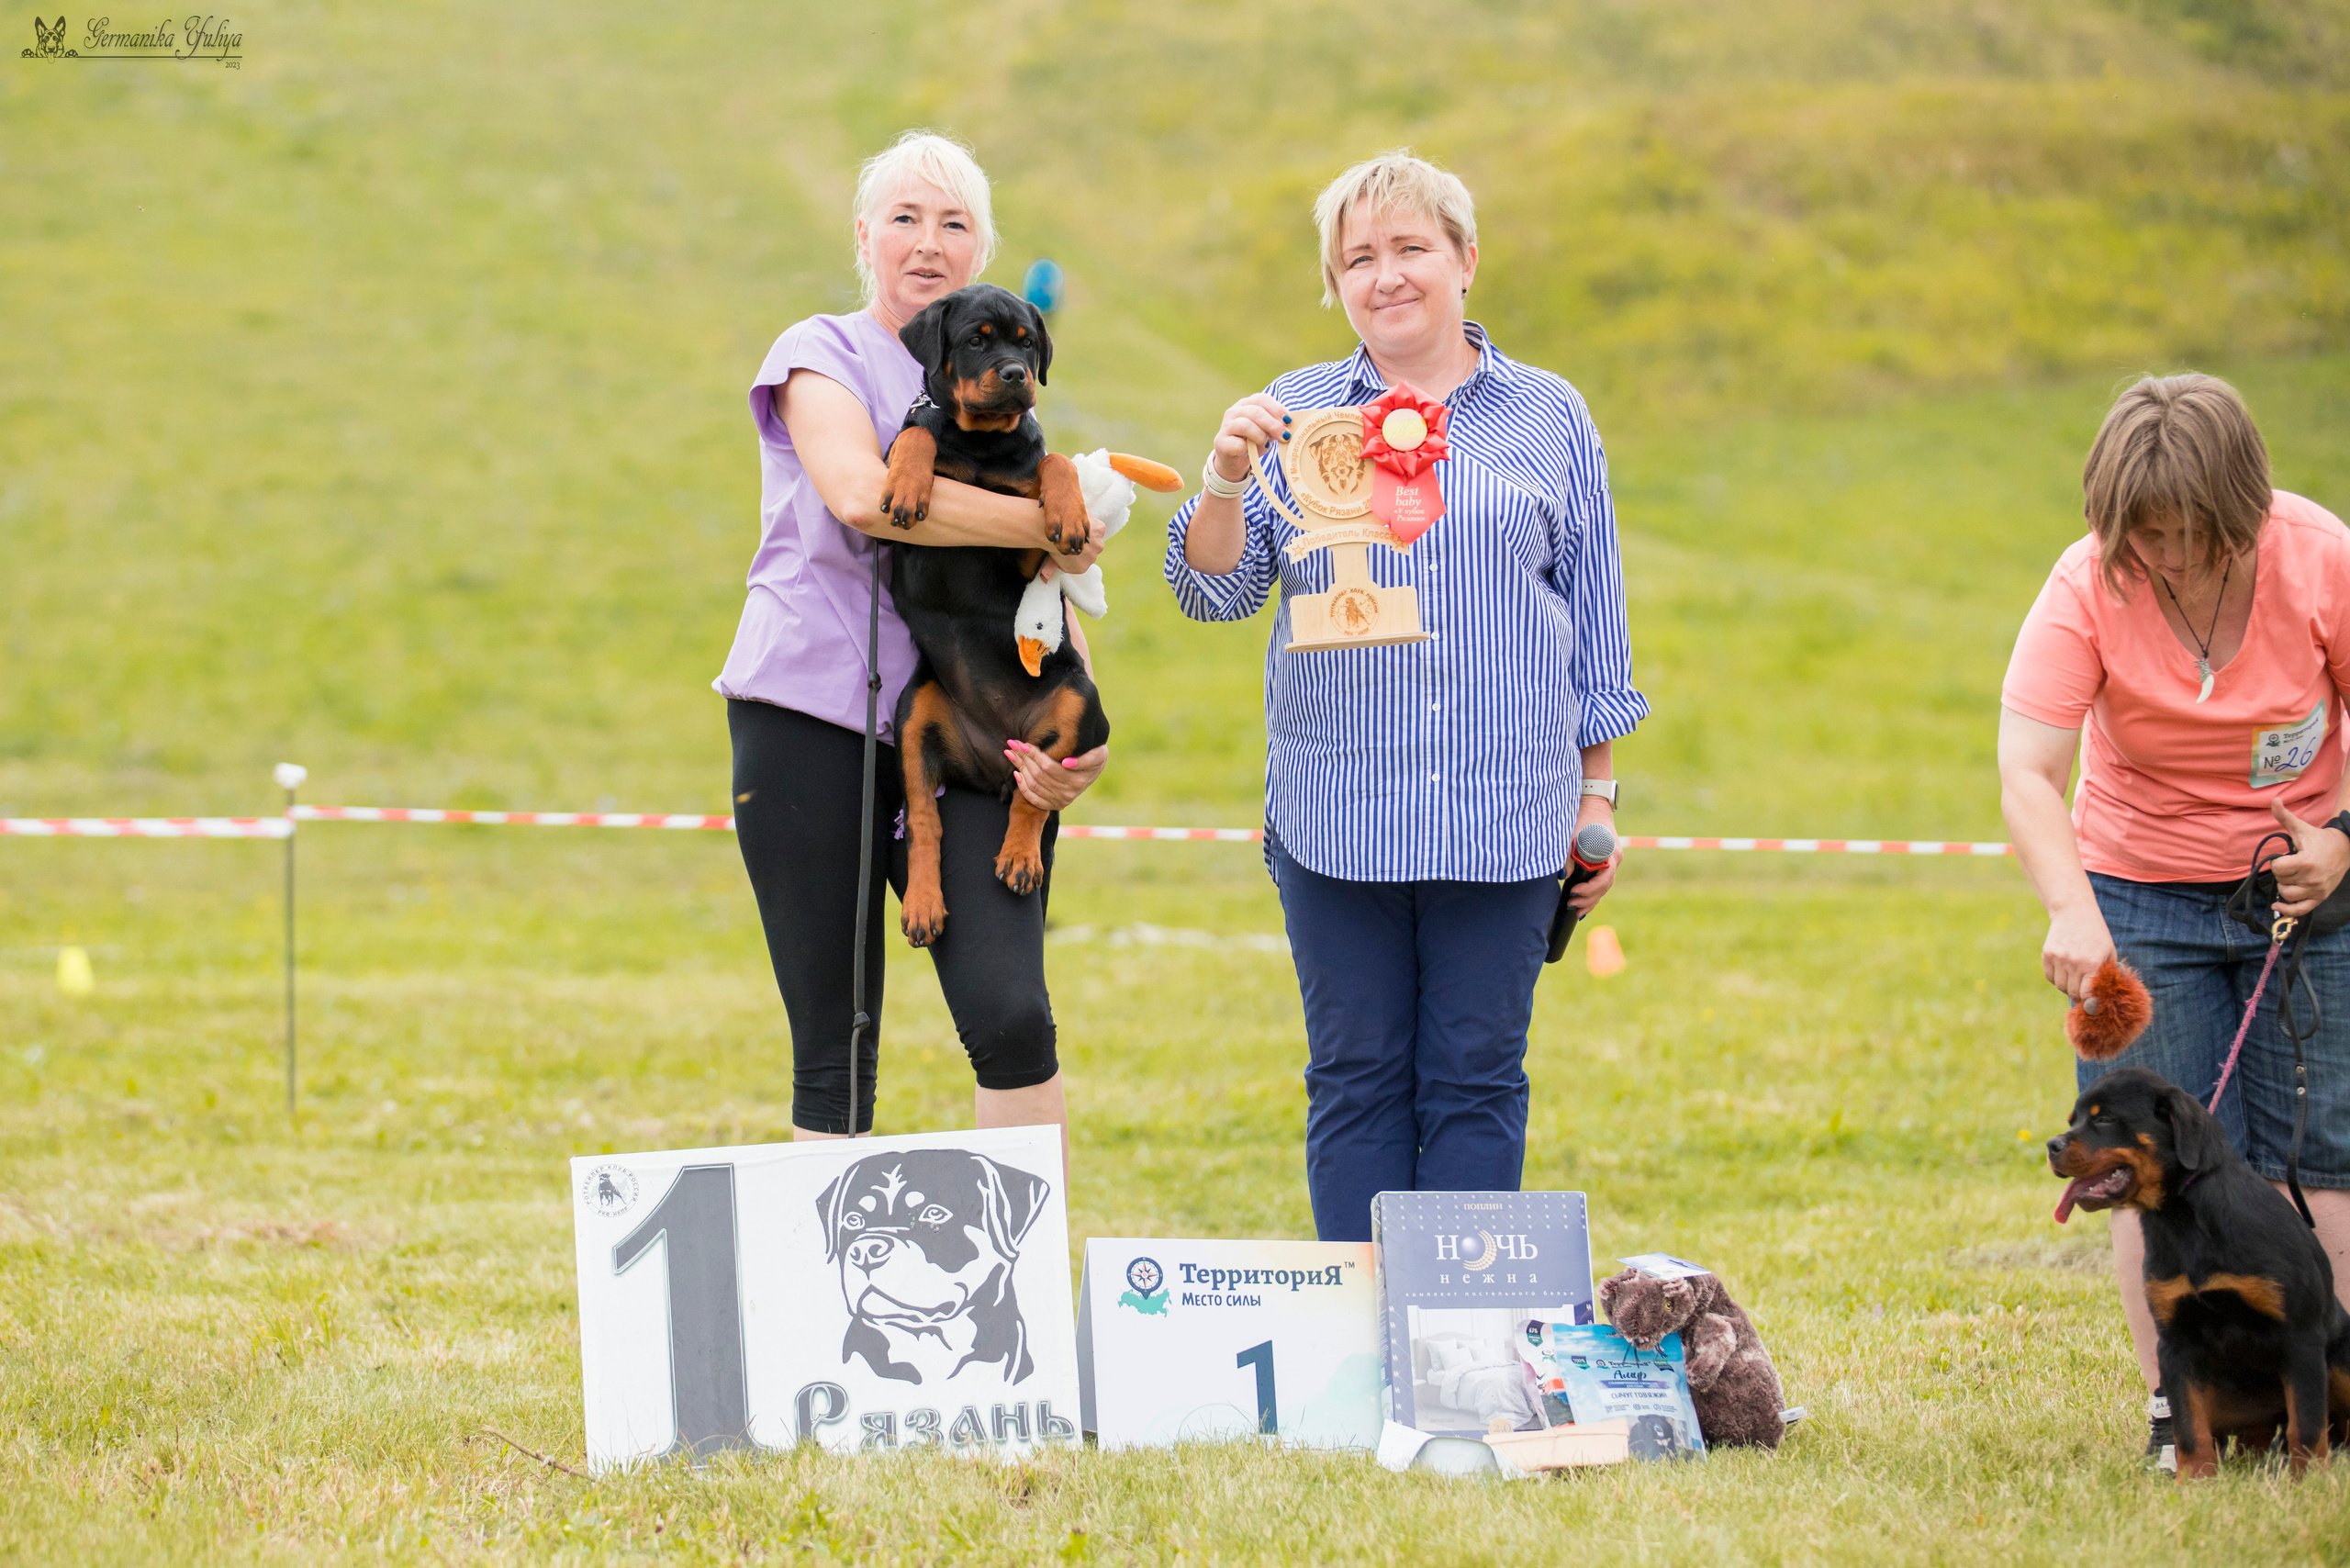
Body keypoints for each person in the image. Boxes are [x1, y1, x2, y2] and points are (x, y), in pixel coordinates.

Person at [1162, 151, 1648, 1242]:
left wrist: (1598, 798)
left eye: (1411, 248)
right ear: (1334, 283)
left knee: (1477, 1077)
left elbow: (1595, 621)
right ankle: (1361, 1351)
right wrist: (1225, 478)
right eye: (1358, 258)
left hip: (1508, 818)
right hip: (1335, 818)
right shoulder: (1290, 417)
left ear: (1466, 260)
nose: (1386, 275)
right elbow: (1211, 590)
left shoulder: (1551, 415)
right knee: (1355, 1077)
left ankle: (1459, 1344)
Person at [715, 129, 1107, 1155]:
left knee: (1013, 1014)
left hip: (976, 726)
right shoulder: (818, 354)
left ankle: (1025, 1298)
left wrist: (1081, 730)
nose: (927, 241)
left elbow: (1047, 589)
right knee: (835, 1041)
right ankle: (820, 1301)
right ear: (864, 238)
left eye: (954, 222)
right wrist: (1043, 524)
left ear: (981, 251)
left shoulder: (1004, 375)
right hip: (809, 716)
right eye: (903, 217)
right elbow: (860, 497)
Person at [1998, 372, 2350, 1471]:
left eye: (2188, 534)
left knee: (2322, 1154)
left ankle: (2327, 1406)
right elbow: (2027, 766)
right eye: (2140, 534)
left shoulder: (2320, 556)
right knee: (2149, 1170)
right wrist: (2075, 911)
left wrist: (2341, 844)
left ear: (2242, 509)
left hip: (2310, 883)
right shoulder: (2085, 581)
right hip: (2138, 888)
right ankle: (2176, 1411)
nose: (2162, 558)